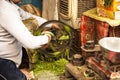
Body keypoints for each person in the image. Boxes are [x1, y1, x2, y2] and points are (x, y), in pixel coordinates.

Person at [0, 0, 57, 80]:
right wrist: (48, 37)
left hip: (9, 61)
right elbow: (30, 42)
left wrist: (50, 24)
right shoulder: (5, 10)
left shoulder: (10, 6)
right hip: (3, 62)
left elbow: (28, 16)